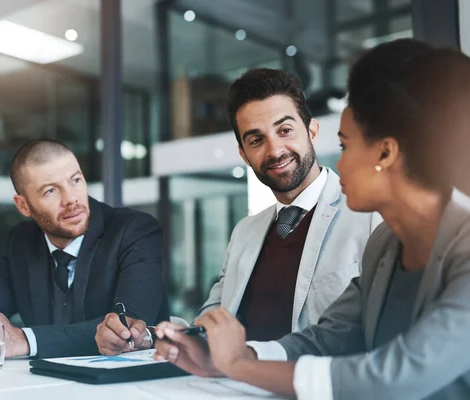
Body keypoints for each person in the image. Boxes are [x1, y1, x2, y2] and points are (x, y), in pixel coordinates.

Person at [153, 39, 470, 400]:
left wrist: (238, 366)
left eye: (346, 146)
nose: (340, 162)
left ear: (386, 151)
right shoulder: (385, 244)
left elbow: (398, 375)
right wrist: (226, 359)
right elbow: (327, 336)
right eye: (256, 140)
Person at [95, 68, 380, 355]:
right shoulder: (245, 232)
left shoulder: (370, 216)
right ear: (244, 154)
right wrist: (148, 337)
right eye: (256, 140)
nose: (274, 150)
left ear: (312, 131)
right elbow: (208, 326)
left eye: (285, 130)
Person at [0, 139, 168, 359]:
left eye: (75, 180)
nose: (71, 199)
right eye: (50, 190)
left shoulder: (135, 230)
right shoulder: (22, 241)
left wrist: (24, 340)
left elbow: (130, 328)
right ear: (23, 205)